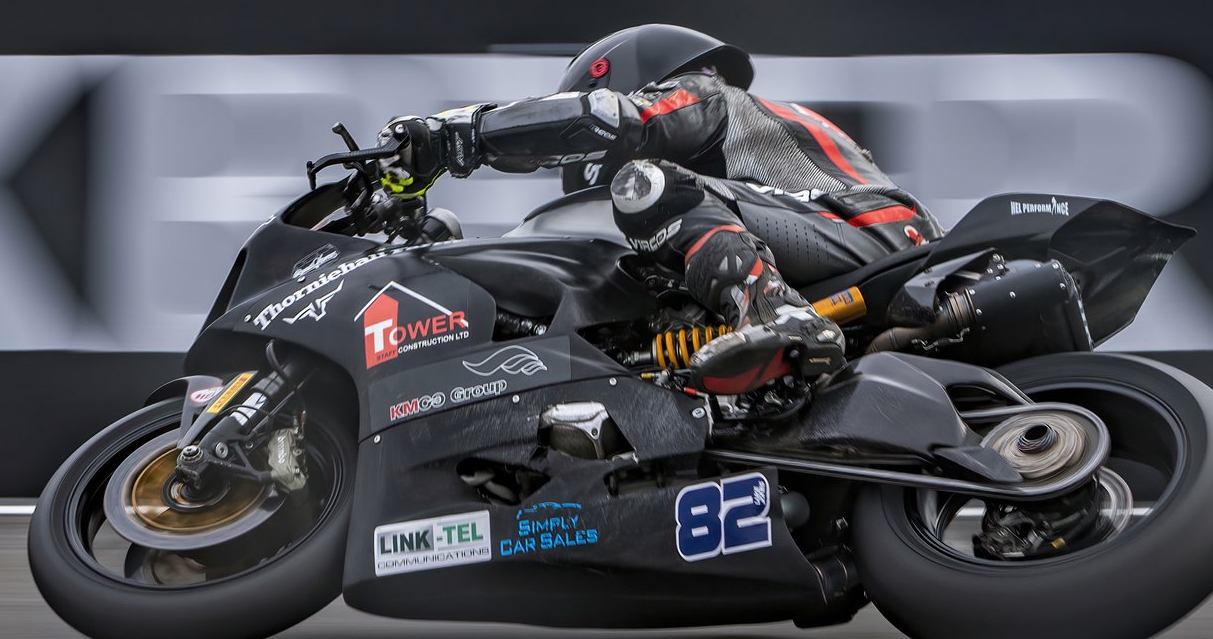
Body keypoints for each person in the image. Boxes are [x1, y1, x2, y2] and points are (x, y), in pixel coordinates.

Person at [380, 24, 937, 395]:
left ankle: (774, 314)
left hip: (868, 231)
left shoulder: (705, 93)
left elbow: (613, 118)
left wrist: (461, 136)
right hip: (861, 245)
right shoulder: (735, 175)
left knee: (644, 184)